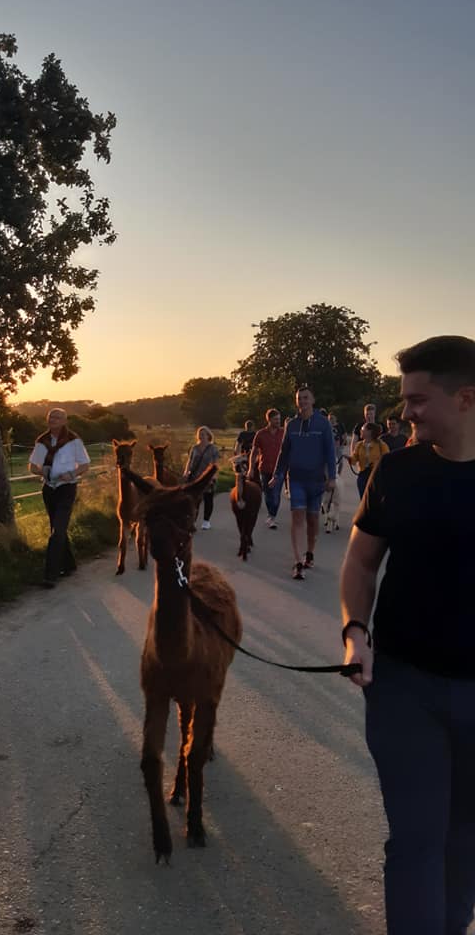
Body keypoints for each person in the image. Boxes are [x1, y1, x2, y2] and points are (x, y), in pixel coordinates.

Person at [340, 335, 475, 935]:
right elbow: (361, 561)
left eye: (417, 400)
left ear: (467, 398)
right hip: (402, 685)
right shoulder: (395, 471)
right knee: (418, 838)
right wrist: (354, 629)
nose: (403, 414)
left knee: (465, 838)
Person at [270, 386, 336, 579]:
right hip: (296, 478)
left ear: (312, 400)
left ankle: (310, 553)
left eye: (306, 398)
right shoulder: (291, 425)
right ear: (296, 402)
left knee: (313, 520)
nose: (302, 401)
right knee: (297, 516)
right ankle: (298, 562)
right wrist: (277, 474)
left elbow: (330, 452)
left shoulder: (323, 424)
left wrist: (332, 477)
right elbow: (284, 452)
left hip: (316, 480)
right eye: (299, 399)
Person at [28, 408, 90, 588]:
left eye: (57, 417)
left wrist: (71, 473)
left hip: (67, 489)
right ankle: (69, 565)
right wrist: (41, 471)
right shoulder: (42, 441)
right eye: (50, 417)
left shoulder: (73, 441)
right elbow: (32, 466)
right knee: (57, 528)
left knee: (57, 531)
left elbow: (85, 465)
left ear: (65, 421)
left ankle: (50, 575)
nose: (53, 420)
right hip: (49, 489)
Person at [248, 408, 284, 529]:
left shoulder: (284, 433)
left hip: (279, 469)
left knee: (276, 494)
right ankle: (270, 514)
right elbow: (254, 452)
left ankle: (272, 517)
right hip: (264, 468)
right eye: (275, 419)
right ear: (269, 420)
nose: (278, 421)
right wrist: (251, 468)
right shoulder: (260, 434)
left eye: (279, 419)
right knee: (268, 494)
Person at [183, 426, 219, 529]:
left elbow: (215, 464)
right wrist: (186, 472)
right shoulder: (194, 448)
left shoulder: (213, 449)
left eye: (203, 434)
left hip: (208, 478)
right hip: (195, 478)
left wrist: (213, 476)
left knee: (208, 499)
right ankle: (193, 520)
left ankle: (206, 521)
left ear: (208, 435)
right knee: (194, 500)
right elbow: (189, 461)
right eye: (200, 434)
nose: (201, 436)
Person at [348, 422, 391, 499]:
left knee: (374, 498)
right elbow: (354, 460)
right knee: (363, 499)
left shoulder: (381, 445)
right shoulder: (359, 445)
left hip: (376, 476)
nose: (361, 431)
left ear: (370, 432)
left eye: (363, 429)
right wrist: (350, 459)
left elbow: (387, 460)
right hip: (363, 475)